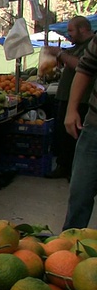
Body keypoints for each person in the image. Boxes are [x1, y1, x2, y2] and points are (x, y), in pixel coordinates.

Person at [44, 16, 95, 180]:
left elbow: (81, 65)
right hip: (66, 98)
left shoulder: (92, 45)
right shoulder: (77, 46)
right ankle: (64, 166)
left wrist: (59, 53)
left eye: (71, 30)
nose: (68, 34)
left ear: (83, 29)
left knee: (76, 137)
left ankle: (75, 172)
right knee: (64, 137)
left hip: (82, 101)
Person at [61, 32, 97, 230]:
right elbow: (85, 69)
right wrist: (71, 110)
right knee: (80, 192)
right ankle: (68, 246)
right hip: (94, 127)